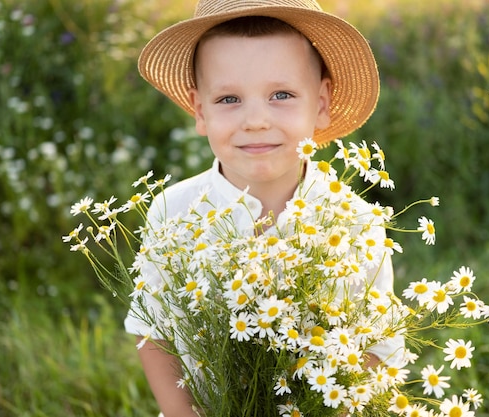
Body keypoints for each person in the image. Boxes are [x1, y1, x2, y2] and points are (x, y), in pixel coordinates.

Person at [124, 1, 405, 416]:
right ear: (199, 110)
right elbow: (154, 331)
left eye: (282, 95)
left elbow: (378, 344)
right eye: (229, 99)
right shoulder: (174, 209)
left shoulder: (355, 220)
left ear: (322, 103)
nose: (255, 120)